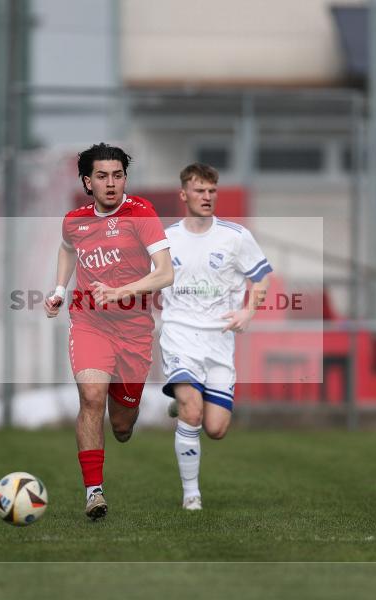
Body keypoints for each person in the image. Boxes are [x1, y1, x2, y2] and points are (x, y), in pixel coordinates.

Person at [44, 143, 174, 521]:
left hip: (134, 329)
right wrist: (57, 291)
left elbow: (165, 273)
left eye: (118, 175)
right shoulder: (74, 220)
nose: (111, 183)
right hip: (90, 322)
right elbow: (68, 249)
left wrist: (120, 292)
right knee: (91, 397)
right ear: (87, 181)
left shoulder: (141, 214)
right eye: (102, 176)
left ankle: (127, 415)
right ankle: (94, 493)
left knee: (121, 424)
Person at [160, 163, 272, 511]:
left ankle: (185, 398)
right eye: (199, 191)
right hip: (179, 335)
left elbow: (263, 277)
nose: (207, 197)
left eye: (212, 191)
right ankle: (191, 493)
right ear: (184, 195)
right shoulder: (165, 239)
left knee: (216, 428)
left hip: (220, 341)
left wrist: (248, 312)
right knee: (192, 414)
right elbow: (150, 281)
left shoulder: (234, 237)